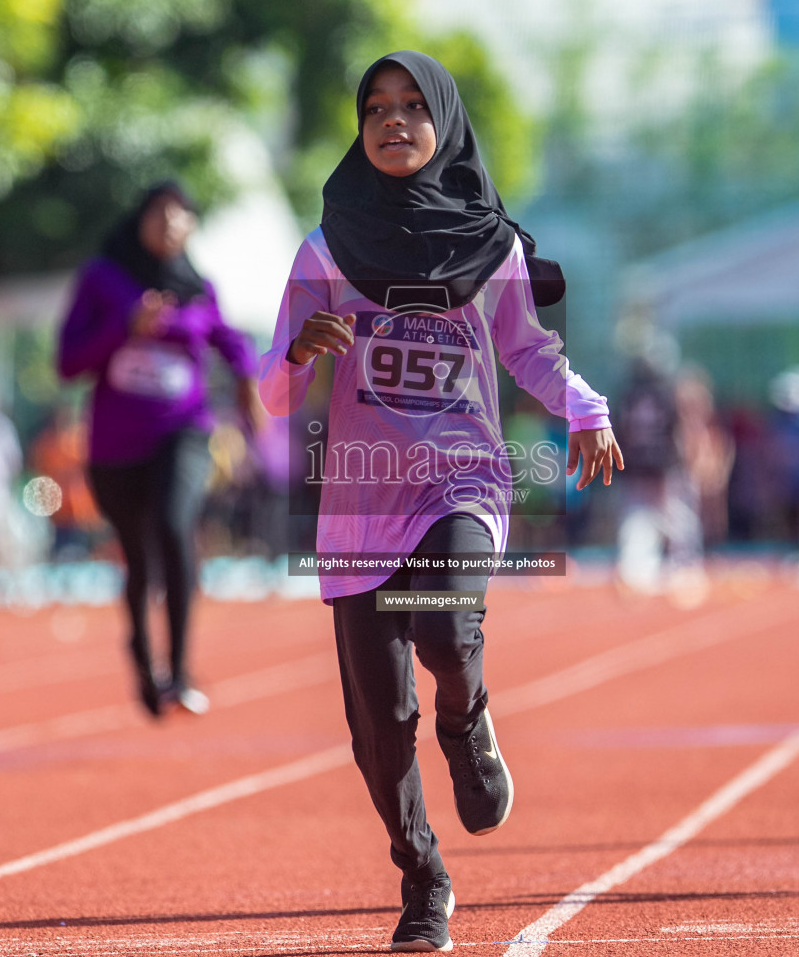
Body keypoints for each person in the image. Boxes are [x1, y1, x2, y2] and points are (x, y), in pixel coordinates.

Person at [259, 51, 622, 953]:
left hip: (462, 480)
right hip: (358, 503)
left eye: (414, 107)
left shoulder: (489, 244)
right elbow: (270, 394)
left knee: (444, 626)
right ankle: (424, 878)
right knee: (379, 731)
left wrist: (586, 408)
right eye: (376, 108)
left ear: (446, 124)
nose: (393, 121)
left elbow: (529, 351)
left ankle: (465, 715)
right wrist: (302, 350)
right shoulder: (324, 251)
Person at [58, 180, 261, 719]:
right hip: (115, 444)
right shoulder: (103, 279)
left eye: (180, 216)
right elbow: (67, 361)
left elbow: (231, 340)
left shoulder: (198, 286)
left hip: (184, 432)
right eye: (158, 214)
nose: (169, 224)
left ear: (192, 227)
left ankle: (180, 669)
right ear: (139, 220)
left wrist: (248, 384)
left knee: (175, 527)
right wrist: (124, 327)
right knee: (138, 554)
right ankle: (144, 659)